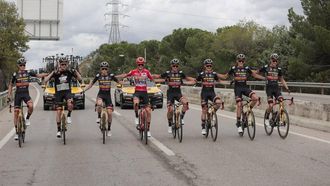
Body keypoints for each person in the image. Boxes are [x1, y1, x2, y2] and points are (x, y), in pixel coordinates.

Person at [222, 54, 265, 135]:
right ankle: (238, 123)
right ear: (237, 61)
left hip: (245, 88)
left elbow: (254, 75)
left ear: (244, 61)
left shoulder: (246, 68)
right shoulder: (233, 68)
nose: (241, 62)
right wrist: (216, 76)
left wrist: (265, 79)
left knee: (255, 98)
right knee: (239, 105)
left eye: (242, 61)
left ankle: (248, 110)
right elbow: (225, 76)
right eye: (239, 60)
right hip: (237, 89)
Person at [7, 57, 48, 140]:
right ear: (18, 66)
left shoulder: (28, 72)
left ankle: (27, 118)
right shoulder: (15, 74)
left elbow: (38, 75)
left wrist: (48, 74)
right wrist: (9, 95)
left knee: (31, 106)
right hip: (18, 95)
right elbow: (11, 85)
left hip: (26, 94)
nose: (22, 66)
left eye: (24, 65)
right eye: (21, 65)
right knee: (15, 113)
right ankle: (17, 132)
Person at [43, 56, 82, 138]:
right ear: (59, 64)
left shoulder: (70, 72)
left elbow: (80, 79)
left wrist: (75, 71)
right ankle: (58, 130)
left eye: (65, 64)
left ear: (67, 64)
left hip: (67, 92)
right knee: (58, 112)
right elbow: (45, 80)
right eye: (62, 64)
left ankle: (68, 116)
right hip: (58, 94)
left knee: (70, 103)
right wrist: (53, 72)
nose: (63, 65)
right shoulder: (56, 72)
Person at [153, 58, 195, 134]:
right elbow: (158, 76)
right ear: (171, 66)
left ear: (178, 66)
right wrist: (150, 76)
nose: (175, 67)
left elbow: (188, 78)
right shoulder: (167, 73)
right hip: (170, 94)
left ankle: (181, 118)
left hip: (178, 94)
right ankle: (169, 125)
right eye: (173, 66)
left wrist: (195, 79)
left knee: (185, 103)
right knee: (170, 110)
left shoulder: (181, 73)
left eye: (176, 66)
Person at [116, 57, 154, 137]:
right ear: (137, 64)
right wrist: (116, 76)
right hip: (137, 92)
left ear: (143, 64)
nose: (140, 65)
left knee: (149, 111)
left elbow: (152, 79)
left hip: (145, 92)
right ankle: (137, 117)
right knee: (136, 103)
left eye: (142, 64)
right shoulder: (133, 71)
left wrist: (152, 80)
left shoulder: (147, 72)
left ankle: (148, 130)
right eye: (139, 64)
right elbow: (125, 75)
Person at [84, 61, 120, 137]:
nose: (104, 70)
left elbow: (119, 82)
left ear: (107, 69)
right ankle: (99, 117)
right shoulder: (98, 76)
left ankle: (109, 129)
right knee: (99, 104)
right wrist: (84, 90)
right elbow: (91, 84)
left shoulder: (111, 75)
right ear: (100, 69)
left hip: (108, 96)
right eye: (102, 69)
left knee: (110, 113)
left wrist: (123, 86)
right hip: (100, 94)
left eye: (105, 69)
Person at [258, 53, 290, 126]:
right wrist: (262, 78)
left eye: (276, 61)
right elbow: (256, 73)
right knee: (271, 105)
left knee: (281, 101)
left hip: (276, 88)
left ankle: (281, 119)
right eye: (273, 60)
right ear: (270, 60)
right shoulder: (266, 67)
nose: (274, 62)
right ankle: (266, 117)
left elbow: (282, 79)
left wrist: (287, 88)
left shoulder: (278, 69)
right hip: (269, 89)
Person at [196, 59, 224, 135]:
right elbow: (196, 81)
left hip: (212, 93)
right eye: (207, 65)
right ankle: (203, 127)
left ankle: (212, 112)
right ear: (205, 66)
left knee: (218, 103)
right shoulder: (201, 74)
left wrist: (227, 82)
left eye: (210, 65)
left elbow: (219, 81)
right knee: (204, 110)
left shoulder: (214, 74)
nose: (209, 67)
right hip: (204, 93)